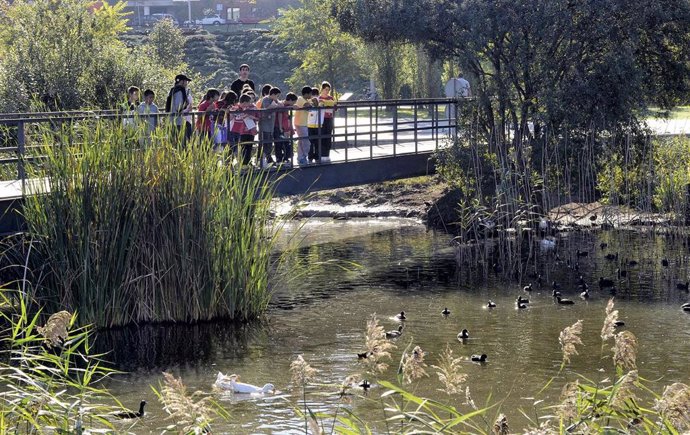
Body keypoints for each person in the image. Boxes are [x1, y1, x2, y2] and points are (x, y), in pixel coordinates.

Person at [228, 94, 258, 166]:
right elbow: (229, 118)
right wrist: (232, 112)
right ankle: (229, 163)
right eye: (248, 102)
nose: (249, 104)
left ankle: (245, 163)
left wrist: (249, 116)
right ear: (244, 102)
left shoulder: (251, 108)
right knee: (234, 148)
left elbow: (257, 117)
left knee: (248, 147)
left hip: (248, 131)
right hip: (236, 131)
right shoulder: (235, 108)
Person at [258, 87, 282, 169]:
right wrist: (273, 106)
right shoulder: (265, 99)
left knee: (269, 143)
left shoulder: (275, 100)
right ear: (273, 94)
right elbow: (266, 109)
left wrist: (277, 103)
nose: (277, 98)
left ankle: (268, 160)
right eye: (277, 96)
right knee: (265, 142)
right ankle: (263, 160)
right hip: (265, 125)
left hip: (270, 125)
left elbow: (281, 105)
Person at [168, 74, 193, 146]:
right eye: (186, 81)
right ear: (182, 81)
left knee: (175, 143)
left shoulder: (173, 90)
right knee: (182, 144)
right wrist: (186, 105)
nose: (187, 83)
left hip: (172, 120)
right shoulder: (179, 91)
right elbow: (178, 107)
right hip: (179, 121)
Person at [275, 92, 297, 167]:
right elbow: (280, 115)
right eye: (293, 101)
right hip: (280, 127)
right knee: (279, 144)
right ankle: (279, 159)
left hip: (286, 127)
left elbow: (288, 117)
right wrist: (281, 127)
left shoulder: (287, 106)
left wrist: (290, 128)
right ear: (290, 100)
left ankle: (286, 158)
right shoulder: (282, 105)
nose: (294, 103)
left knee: (286, 144)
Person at [317, 81, 336, 163]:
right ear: (322, 89)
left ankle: (327, 155)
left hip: (329, 119)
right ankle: (321, 155)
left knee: (328, 137)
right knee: (322, 137)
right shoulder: (319, 98)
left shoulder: (331, 98)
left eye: (328, 90)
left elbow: (335, 107)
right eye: (326, 89)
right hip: (321, 119)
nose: (327, 91)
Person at [293, 86, 312, 166]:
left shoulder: (304, 100)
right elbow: (308, 105)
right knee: (306, 142)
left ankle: (301, 158)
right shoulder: (301, 99)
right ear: (306, 93)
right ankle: (303, 156)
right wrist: (312, 102)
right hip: (300, 123)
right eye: (310, 94)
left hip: (303, 123)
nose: (311, 95)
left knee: (302, 141)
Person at [215, 91, 237, 155]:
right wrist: (225, 109)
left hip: (229, 124)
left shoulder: (232, 105)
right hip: (220, 124)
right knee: (223, 142)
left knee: (231, 142)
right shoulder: (220, 102)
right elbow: (218, 109)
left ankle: (229, 157)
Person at [307, 87, 320, 162]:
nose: (314, 96)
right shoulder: (308, 102)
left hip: (317, 124)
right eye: (313, 94)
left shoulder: (319, 101)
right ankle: (311, 157)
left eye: (316, 95)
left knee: (317, 141)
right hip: (310, 124)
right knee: (311, 142)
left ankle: (316, 157)